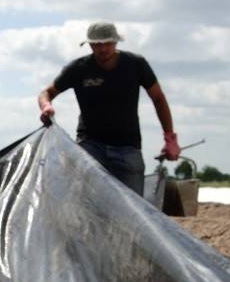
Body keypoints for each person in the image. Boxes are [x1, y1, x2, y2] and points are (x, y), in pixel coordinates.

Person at [37, 21, 180, 196]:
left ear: (116, 42)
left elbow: (158, 98)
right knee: (87, 204)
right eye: (97, 44)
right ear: (89, 44)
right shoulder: (79, 68)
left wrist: (170, 139)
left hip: (127, 147)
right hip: (90, 145)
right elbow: (46, 92)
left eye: (107, 43)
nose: (103, 49)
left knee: (133, 208)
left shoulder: (135, 64)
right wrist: (46, 106)